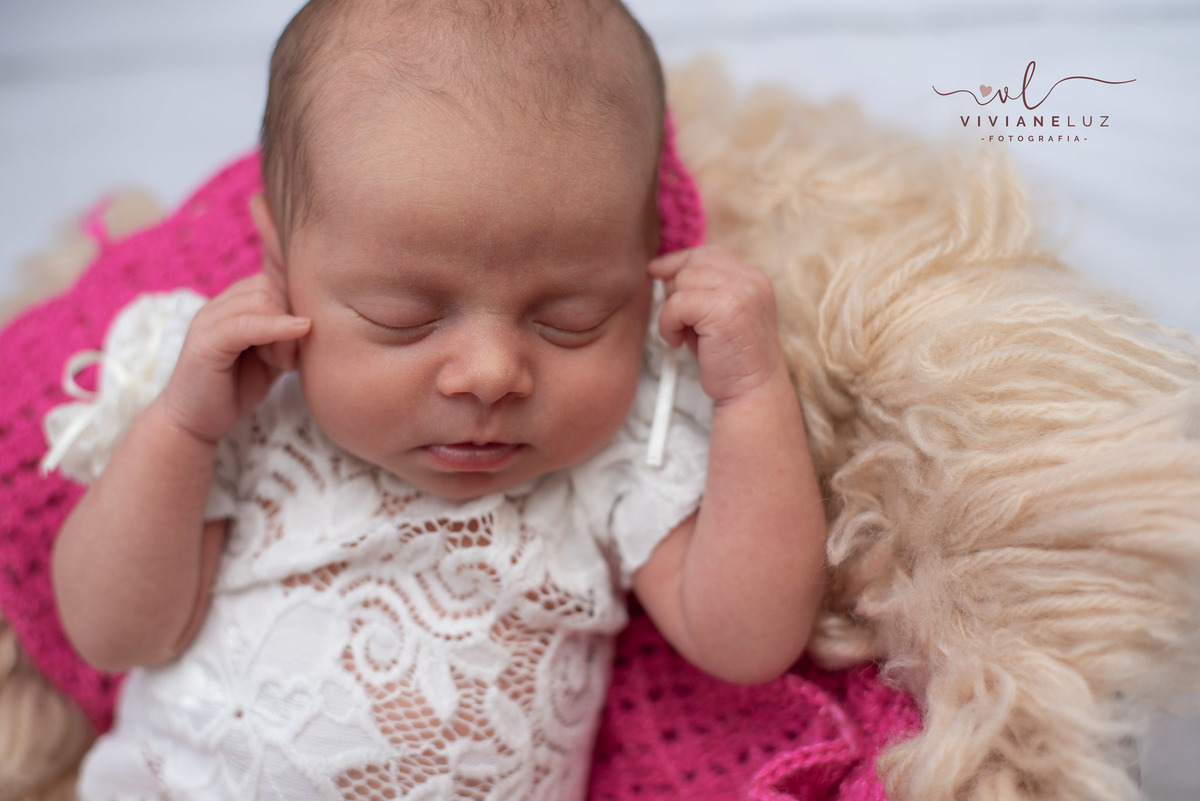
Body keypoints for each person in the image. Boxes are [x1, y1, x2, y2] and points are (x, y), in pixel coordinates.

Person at [46, 0, 827, 797]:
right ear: (281, 261)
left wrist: (751, 396)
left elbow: (748, 639)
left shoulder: (617, 449)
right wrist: (180, 428)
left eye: (570, 321)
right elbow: (112, 634)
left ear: (643, 266)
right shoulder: (243, 411)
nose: (491, 374)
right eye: (405, 318)